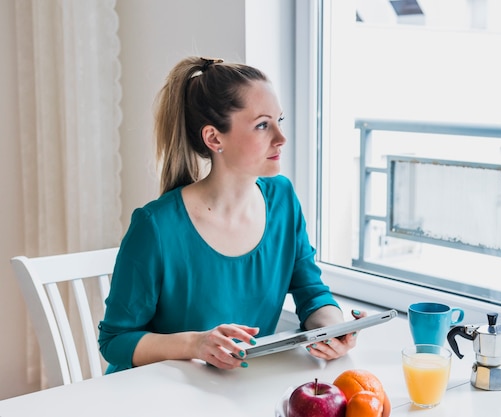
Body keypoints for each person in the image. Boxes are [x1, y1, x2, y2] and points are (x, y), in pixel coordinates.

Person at [98, 56, 361, 373]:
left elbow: (310, 291)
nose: (281, 137)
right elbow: (115, 341)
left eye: (280, 120)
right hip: (156, 396)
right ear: (213, 138)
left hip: (234, 390)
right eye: (263, 125)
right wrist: (196, 344)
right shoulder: (155, 226)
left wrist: (333, 329)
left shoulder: (283, 200)